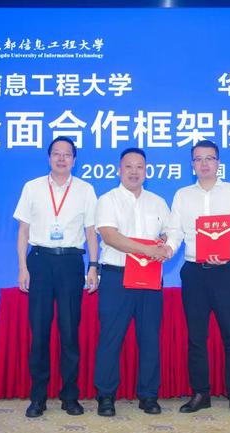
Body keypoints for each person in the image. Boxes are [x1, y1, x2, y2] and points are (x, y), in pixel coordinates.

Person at [13, 136, 99, 418]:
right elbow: (23, 231)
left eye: (67, 154)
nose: (62, 159)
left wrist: (93, 266)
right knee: (39, 332)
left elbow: (90, 232)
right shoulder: (32, 187)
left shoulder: (85, 190)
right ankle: (37, 397)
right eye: (56, 154)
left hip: (71, 262)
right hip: (39, 261)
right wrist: (23, 267)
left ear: (75, 159)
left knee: (70, 331)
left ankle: (70, 396)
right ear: (49, 157)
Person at [164, 139, 230, 416]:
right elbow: (175, 231)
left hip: (227, 272)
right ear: (192, 164)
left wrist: (228, 254)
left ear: (218, 162)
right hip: (194, 273)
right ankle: (201, 393)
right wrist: (168, 248)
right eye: (198, 159)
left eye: (210, 158)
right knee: (196, 337)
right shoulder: (182, 195)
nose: (204, 164)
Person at [93, 148, 171, 417]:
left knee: (150, 338)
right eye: (129, 166)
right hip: (117, 277)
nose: (134, 171)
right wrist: (148, 250)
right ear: (119, 170)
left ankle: (148, 396)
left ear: (146, 171)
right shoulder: (107, 200)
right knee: (110, 338)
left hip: (150, 277)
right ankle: (105, 396)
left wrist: (164, 242)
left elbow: (170, 231)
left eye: (140, 167)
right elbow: (110, 236)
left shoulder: (158, 202)